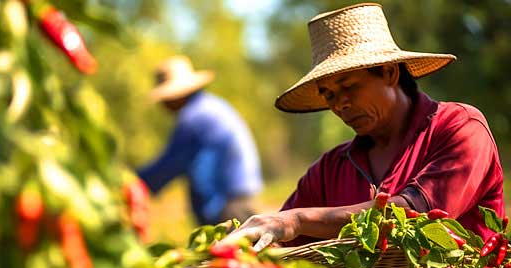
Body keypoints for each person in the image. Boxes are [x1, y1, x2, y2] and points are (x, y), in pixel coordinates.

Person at [225, 3, 505, 251]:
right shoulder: (328, 171)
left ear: (389, 73)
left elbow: (418, 213)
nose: (340, 105)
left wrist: (297, 220)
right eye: (329, 95)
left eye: (349, 87)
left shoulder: (459, 127)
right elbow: (279, 239)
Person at [137, 55, 263, 226]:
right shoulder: (210, 106)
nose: (164, 105)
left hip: (228, 204)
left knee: (228, 249)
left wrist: (134, 182)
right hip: (239, 197)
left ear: (177, 95)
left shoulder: (194, 118)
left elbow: (169, 164)